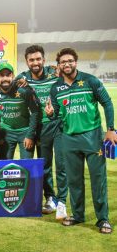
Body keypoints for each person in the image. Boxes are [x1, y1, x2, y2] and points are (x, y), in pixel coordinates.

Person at [46, 47, 117, 234]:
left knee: (98, 180)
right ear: (59, 65)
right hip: (69, 139)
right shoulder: (56, 88)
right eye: (63, 62)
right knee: (74, 181)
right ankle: (78, 215)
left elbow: (107, 103)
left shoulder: (90, 80)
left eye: (70, 61)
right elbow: (57, 117)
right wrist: (51, 114)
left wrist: (110, 129)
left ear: (75, 62)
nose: (67, 64)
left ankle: (103, 219)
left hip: (92, 137)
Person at [16, 45, 68, 219]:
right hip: (38, 127)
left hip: (57, 125)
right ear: (27, 62)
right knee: (45, 165)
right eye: (31, 60)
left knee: (61, 164)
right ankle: (50, 198)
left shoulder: (54, 73)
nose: (35, 62)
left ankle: (62, 202)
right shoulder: (23, 78)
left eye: (38, 59)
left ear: (44, 60)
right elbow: (9, 82)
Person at [0, 62, 41, 159]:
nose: (5, 78)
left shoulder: (23, 90)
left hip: (25, 132)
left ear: (13, 76)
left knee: (26, 165)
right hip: (6, 133)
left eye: (8, 75)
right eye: (1, 75)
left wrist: (30, 135)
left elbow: (35, 112)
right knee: (4, 165)